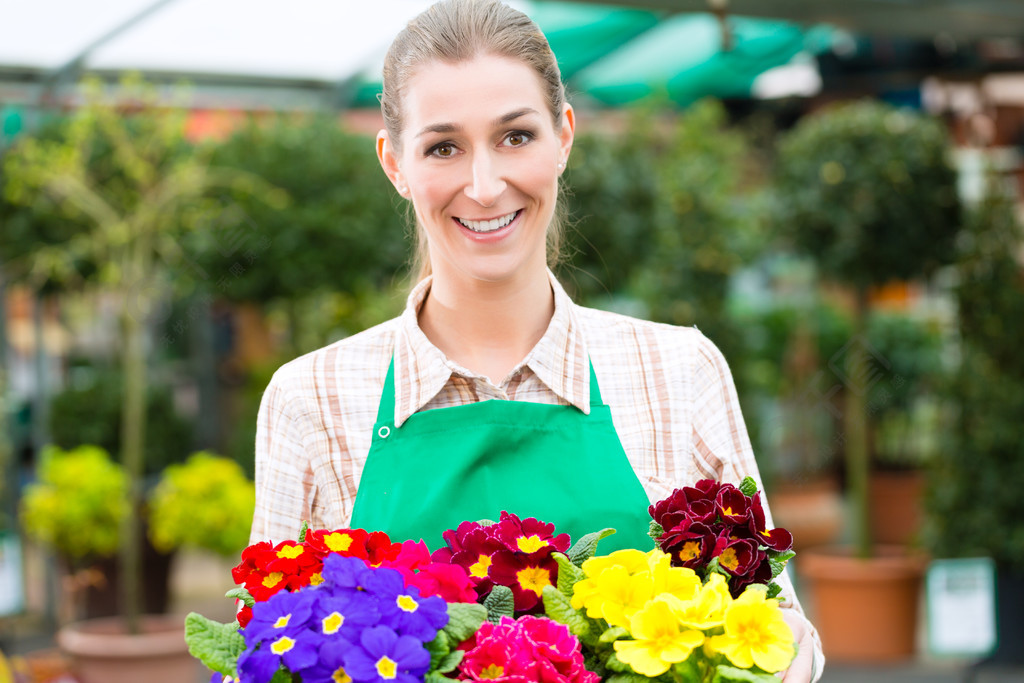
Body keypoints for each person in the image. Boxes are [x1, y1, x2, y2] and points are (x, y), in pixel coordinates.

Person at [250, 0, 823, 679]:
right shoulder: (310, 398)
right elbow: (263, 652)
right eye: (443, 147)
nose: (486, 185)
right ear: (394, 164)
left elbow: (782, 631)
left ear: (564, 137)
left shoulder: (677, 371)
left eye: (515, 136)